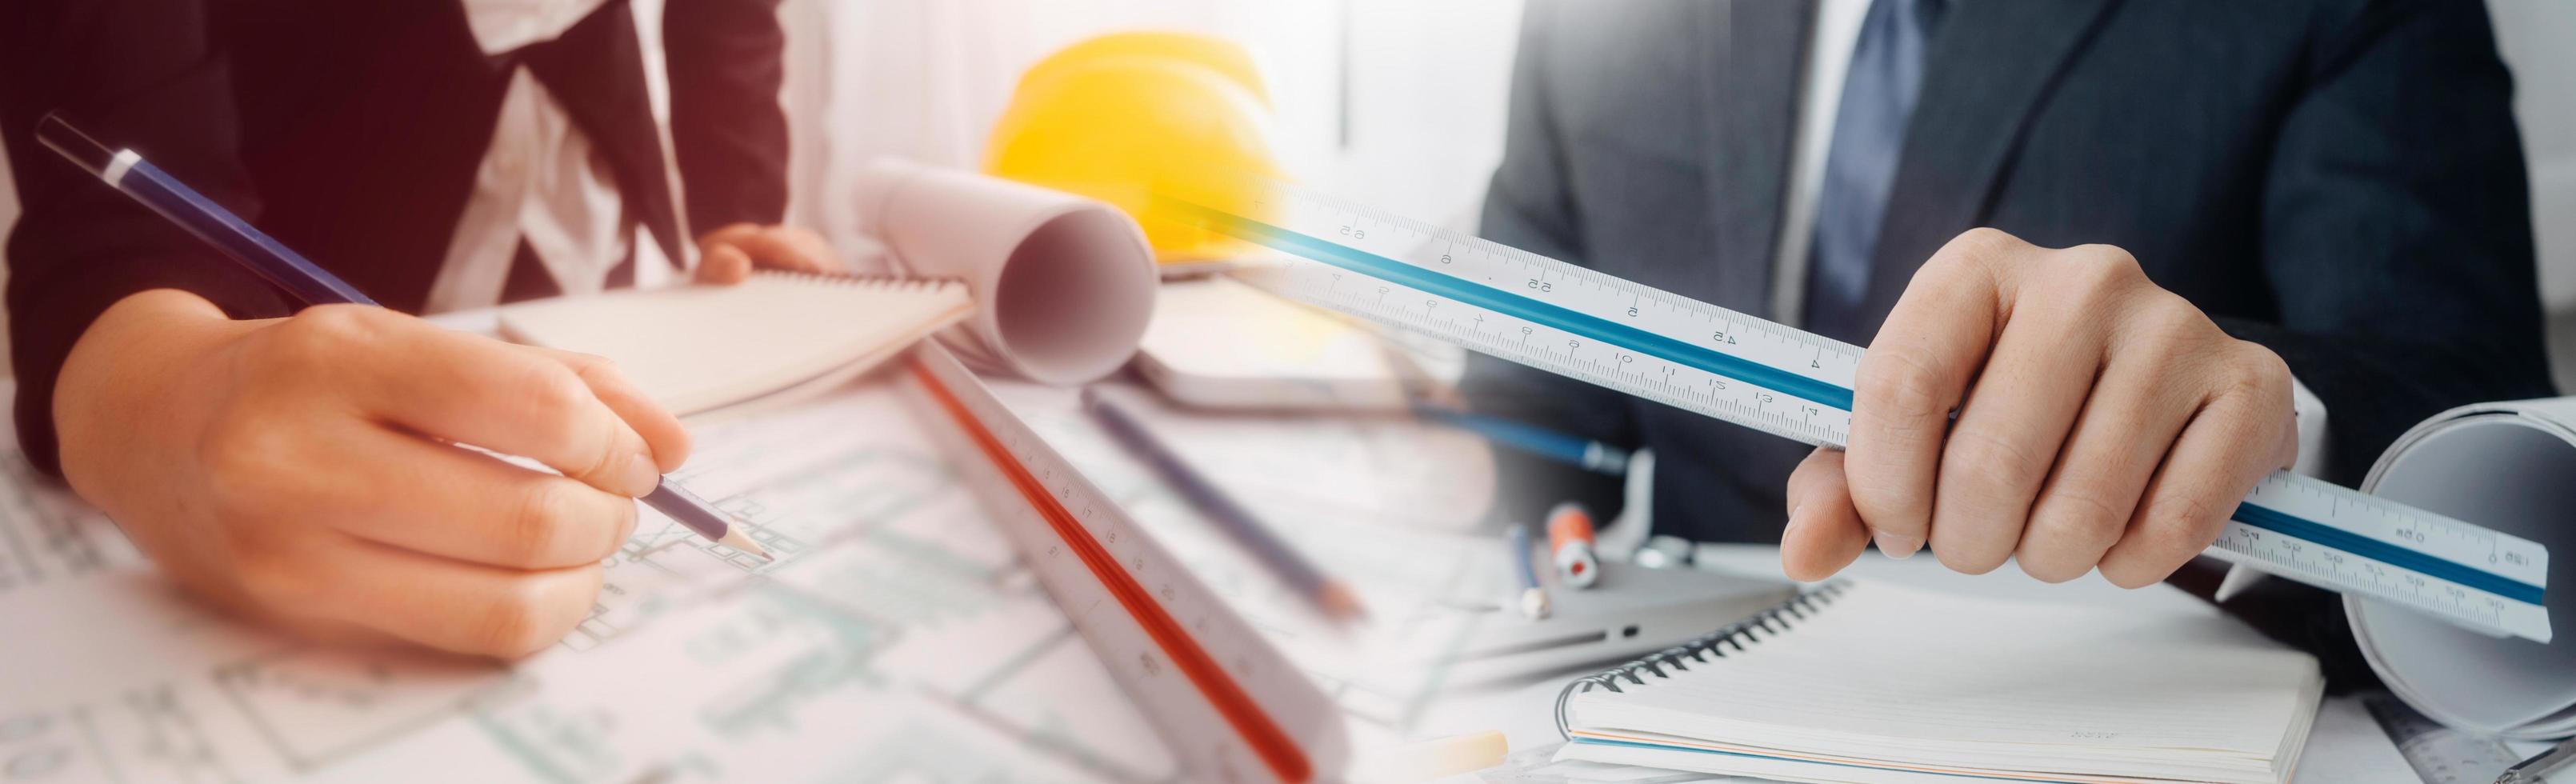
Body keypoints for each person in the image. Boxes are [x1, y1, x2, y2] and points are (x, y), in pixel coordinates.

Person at [1468, 0, 2552, 678]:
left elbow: (2472, 424)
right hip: (1656, 715)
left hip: (2107, 705)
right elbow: (1527, 418)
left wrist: (2266, 442)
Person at [1, 0, 834, 658]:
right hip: (308, 198)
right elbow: (114, 108)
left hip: (587, 180)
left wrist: (741, 204)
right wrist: (151, 384)